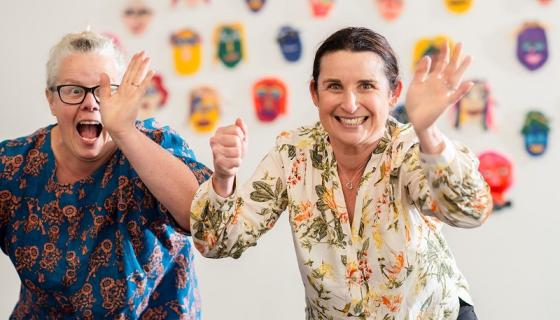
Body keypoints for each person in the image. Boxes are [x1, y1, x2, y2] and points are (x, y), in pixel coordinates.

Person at [190, 27, 491, 319]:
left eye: (366, 86)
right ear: (315, 92)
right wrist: (223, 176)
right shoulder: (293, 153)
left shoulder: (411, 149)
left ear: (393, 93)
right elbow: (216, 242)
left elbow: (470, 212)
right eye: (334, 86)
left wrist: (428, 131)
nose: (349, 104)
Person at [0, 31, 211, 319]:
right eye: (74, 90)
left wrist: (124, 131)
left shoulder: (156, 146)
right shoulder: (13, 166)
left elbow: (203, 216)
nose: (91, 103)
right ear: (51, 100)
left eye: (104, 90)